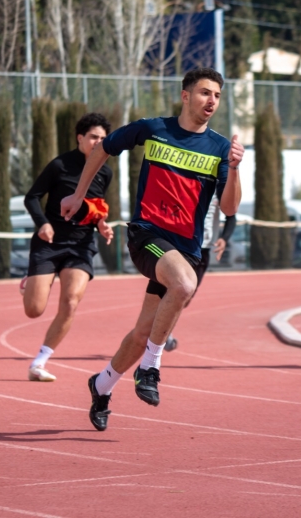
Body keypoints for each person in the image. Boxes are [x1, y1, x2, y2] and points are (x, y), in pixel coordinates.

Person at [60, 67, 243, 431]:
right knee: (185, 285)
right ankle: (150, 368)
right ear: (185, 95)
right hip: (147, 235)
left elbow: (230, 208)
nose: (212, 101)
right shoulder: (153, 128)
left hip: (185, 248)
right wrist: (80, 194)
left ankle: (102, 384)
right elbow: (103, 149)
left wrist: (235, 169)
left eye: (218, 96)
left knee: (145, 329)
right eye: (205, 93)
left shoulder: (221, 148)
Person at [20, 113, 114, 382]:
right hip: (49, 242)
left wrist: (102, 226)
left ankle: (39, 362)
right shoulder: (60, 165)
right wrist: (42, 224)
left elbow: (95, 210)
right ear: (80, 138)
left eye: (103, 139)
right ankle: (32, 281)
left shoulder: (105, 172)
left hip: (81, 245)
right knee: (34, 310)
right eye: (94, 136)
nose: (98, 142)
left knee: (71, 302)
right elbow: (32, 197)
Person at [163, 197, 236, 352]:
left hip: (204, 250)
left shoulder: (221, 187)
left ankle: (162, 329)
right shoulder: (190, 179)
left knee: (186, 297)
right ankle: (160, 334)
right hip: (182, 246)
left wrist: (224, 238)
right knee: (176, 290)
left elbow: (231, 215)